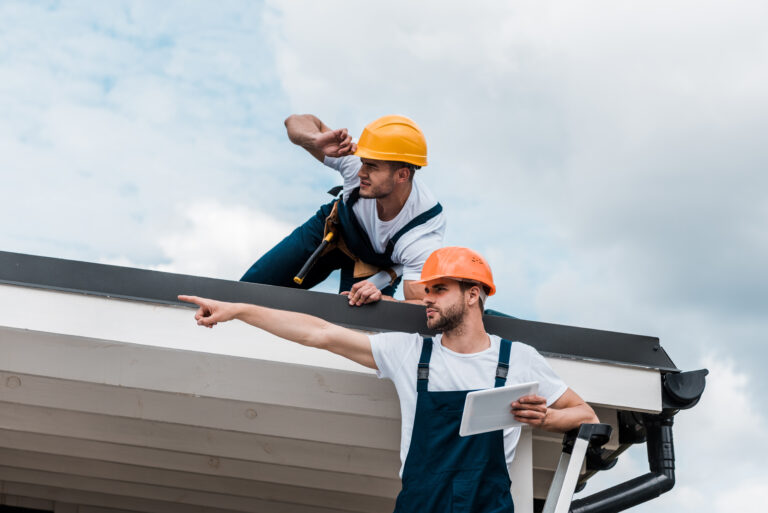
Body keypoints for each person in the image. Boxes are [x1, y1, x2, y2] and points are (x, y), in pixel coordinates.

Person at [180, 246, 598, 512]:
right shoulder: (411, 354)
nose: (426, 299)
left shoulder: (518, 359)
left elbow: (586, 415)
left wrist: (545, 419)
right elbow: (320, 333)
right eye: (426, 290)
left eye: (439, 290)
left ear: (473, 295)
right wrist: (240, 310)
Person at [240, 113, 446, 306]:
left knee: (357, 332)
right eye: (363, 163)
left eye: (372, 167)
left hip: (375, 264)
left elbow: (420, 308)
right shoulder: (355, 158)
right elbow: (294, 121)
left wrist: (386, 302)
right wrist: (314, 139)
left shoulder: (421, 233)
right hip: (334, 229)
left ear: (402, 175)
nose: (361, 172)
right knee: (249, 289)